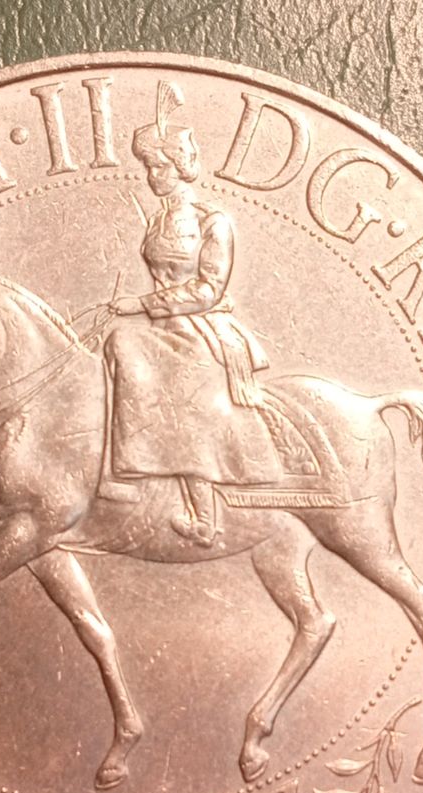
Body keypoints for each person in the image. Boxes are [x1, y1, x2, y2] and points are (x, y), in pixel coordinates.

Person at [103, 81, 281, 546]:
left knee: (171, 380)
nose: (152, 175)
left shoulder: (212, 221)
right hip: (164, 325)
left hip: (203, 327)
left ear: (182, 167)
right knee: (118, 344)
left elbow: (208, 288)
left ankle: (204, 514)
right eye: (148, 166)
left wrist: (144, 304)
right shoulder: (158, 219)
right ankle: (124, 469)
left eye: (160, 165)